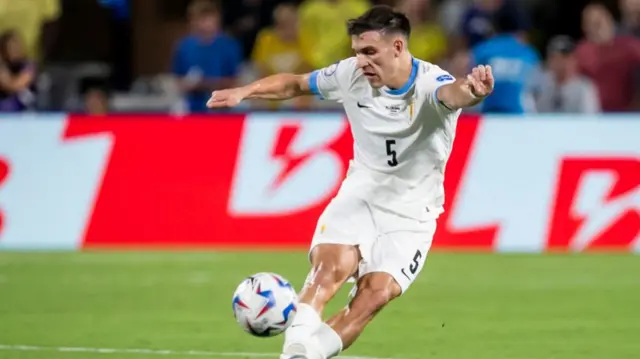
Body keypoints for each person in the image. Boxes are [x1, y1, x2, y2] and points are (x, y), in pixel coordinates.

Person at [209, 6, 493, 359]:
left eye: (370, 52)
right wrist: (244, 91)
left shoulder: (429, 84)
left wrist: (475, 92)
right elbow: (296, 83)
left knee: (374, 296)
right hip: (360, 196)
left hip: (412, 214)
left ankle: (307, 353)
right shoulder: (351, 75)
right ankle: (295, 352)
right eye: (358, 52)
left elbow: (455, 94)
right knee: (329, 270)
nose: (361, 61)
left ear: (399, 48)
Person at [171, 0, 242, 113]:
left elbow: (235, 80)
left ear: (217, 19)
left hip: (223, 109)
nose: (204, 24)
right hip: (191, 109)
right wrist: (187, 84)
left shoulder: (229, 45)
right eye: (199, 19)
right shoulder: (184, 46)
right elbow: (177, 79)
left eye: (208, 19)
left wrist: (206, 84)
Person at [470, 1, 540, 113]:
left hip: (487, 116)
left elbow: (470, 84)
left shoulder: (482, 50)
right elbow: (536, 89)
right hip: (519, 116)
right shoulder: (528, 53)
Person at [534, 35, 600, 113]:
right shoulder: (542, 88)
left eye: (566, 57)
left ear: (574, 60)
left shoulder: (584, 89)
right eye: (556, 58)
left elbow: (589, 120)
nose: (562, 63)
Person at [0, 30, 37, 112]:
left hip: (25, 113)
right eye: (10, 47)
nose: (14, 51)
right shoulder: (4, 66)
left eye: (16, 47)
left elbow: (15, 85)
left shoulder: (29, 65)